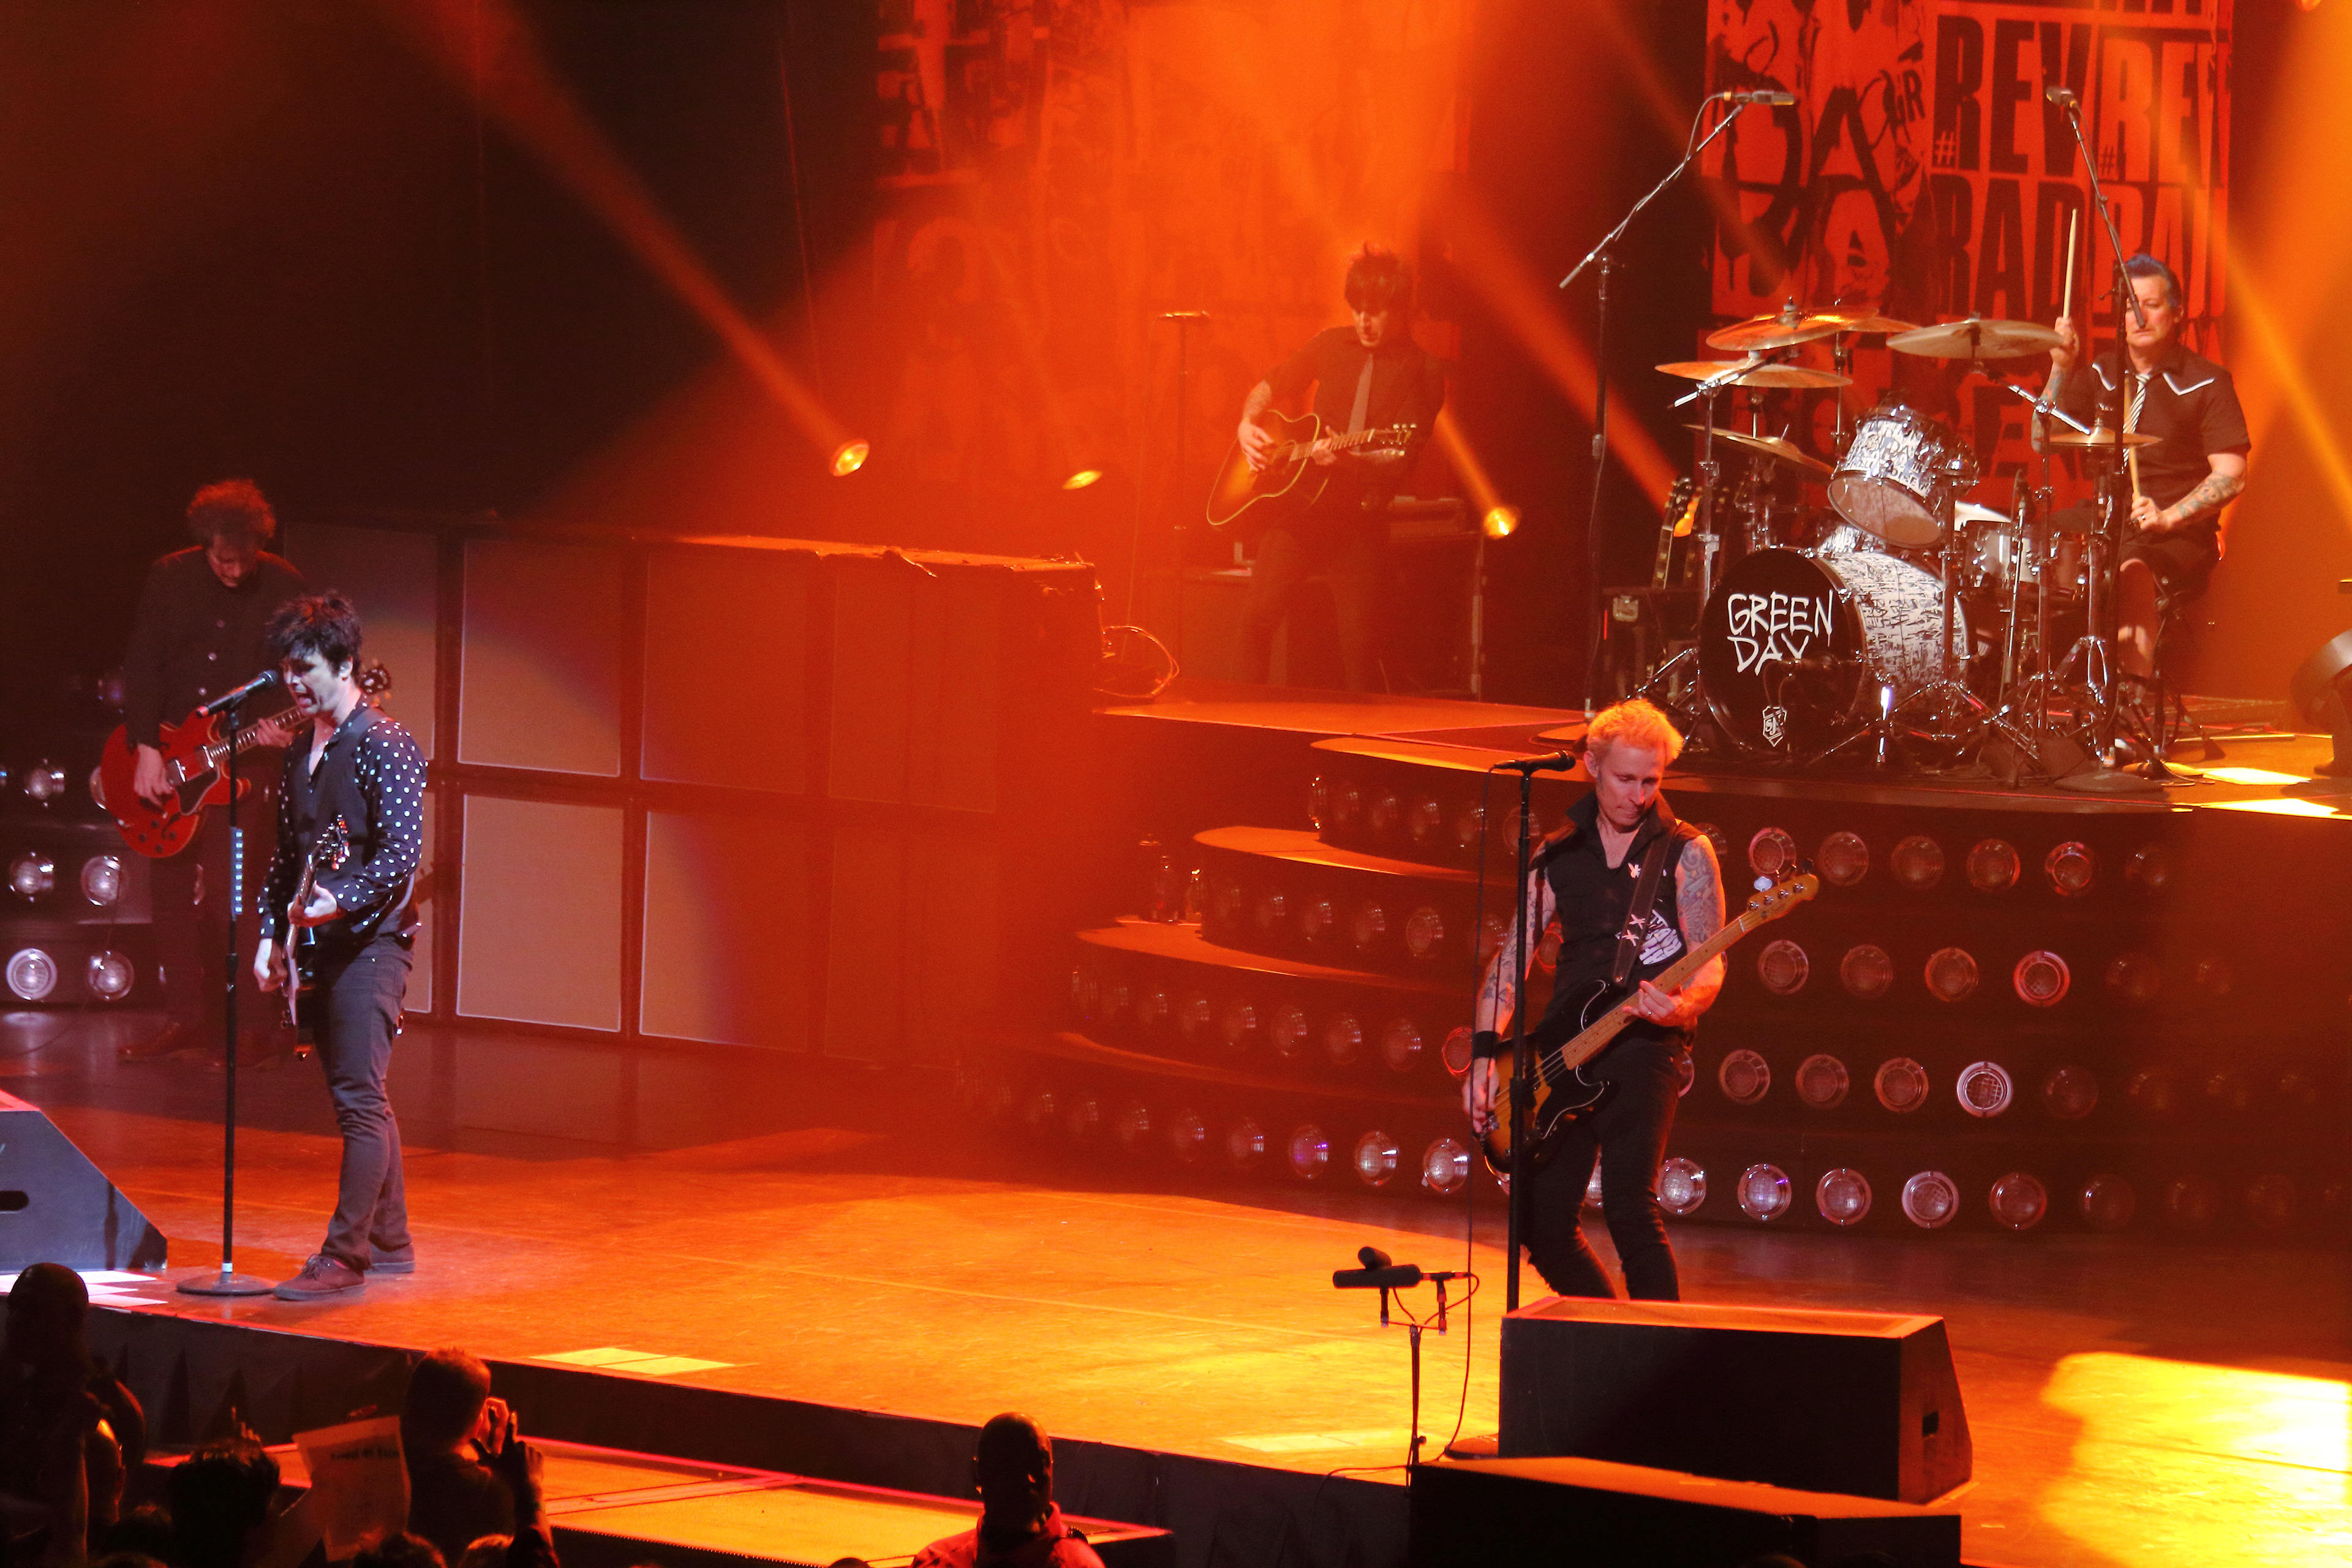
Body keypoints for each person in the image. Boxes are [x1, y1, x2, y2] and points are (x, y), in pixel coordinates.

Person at [1462, 700, 1724, 1301]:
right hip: (1565, 1047)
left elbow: (1711, 959)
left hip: (1645, 1044)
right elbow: (1511, 960)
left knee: (1632, 1208)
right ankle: (1602, 1332)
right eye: (1626, 779)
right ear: (1592, 767)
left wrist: (1684, 1007)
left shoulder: (1686, 852)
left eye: (1651, 781)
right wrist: (1482, 1057)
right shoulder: (1556, 855)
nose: (1640, 795)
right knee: (1541, 1223)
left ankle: (1656, 1351)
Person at [254, 593, 426, 1301]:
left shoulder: (386, 744)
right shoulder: (302, 750)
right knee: (361, 1096)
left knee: (358, 1098)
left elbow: (401, 854)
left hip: (372, 944)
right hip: (318, 945)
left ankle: (346, 1253)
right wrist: (271, 934)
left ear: (346, 664)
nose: (292, 682)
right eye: (286, 669)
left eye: (306, 668)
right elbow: (284, 856)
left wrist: (342, 899)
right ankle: (390, 1240)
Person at [118, 480, 306, 1063]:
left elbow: (302, 672)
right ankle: (185, 1018)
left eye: (244, 559)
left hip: (244, 765)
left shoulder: (285, 586)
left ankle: (253, 1026)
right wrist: (147, 747)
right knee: (170, 897)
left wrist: (282, 727)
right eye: (223, 560)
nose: (234, 570)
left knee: (239, 898)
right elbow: (144, 664)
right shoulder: (169, 577)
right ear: (206, 544)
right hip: (174, 760)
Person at [1232, 244, 1447, 692]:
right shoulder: (1330, 344)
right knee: (1253, 622)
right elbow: (1271, 383)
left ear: (1400, 309)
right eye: (1357, 308)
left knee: (1359, 656)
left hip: (1359, 523)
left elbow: (1403, 454)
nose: (1363, 321)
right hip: (1301, 513)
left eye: (1375, 311)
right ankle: (1245, 719)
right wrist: (1247, 423)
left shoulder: (1423, 370)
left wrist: (1354, 458)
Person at [2046, 253, 2249, 682]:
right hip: (2107, 517)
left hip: (2178, 532)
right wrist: (2060, 369)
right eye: (2129, 307)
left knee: (2133, 564)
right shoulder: (2102, 372)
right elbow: (2040, 438)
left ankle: (2133, 699)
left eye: (2151, 306)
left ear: (2176, 313)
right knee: (2033, 542)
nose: (2138, 317)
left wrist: (2168, 517)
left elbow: (2232, 474)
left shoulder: (2207, 381)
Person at [0, 1262, 145, 1555]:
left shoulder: (110, 1409)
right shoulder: (19, 1393)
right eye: (12, 1309)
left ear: (73, 1318)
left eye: (30, 1310)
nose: (14, 1321)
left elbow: (96, 1525)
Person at [911, 1413, 1103, 1568]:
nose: (1028, 1478)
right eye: (1009, 1466)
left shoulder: (1079, 1564)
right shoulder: (936, 1562)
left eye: (1038, 1463)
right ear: (978, 1473)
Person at [401, 1351, 516, 1564]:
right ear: (478, 1423)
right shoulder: (490, 1493)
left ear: (408, 1406)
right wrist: (499, 1461)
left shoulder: (367, 1465)